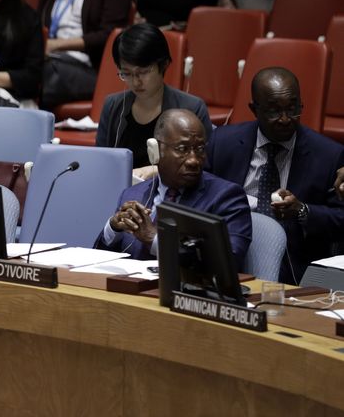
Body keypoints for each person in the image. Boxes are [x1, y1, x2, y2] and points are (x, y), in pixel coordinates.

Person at [206, 67, 344, 283]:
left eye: (292, 109)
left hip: (292, 266)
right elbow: (201, 197)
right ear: (254, 109)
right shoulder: (223, 142)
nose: (285, 119)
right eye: (274, 111)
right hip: (226, 255)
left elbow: (340, 219)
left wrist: (302, 210)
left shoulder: (328, 155)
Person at [94, 109, 251, 269]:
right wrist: (113, 229)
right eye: (182, 149)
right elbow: (99, 265)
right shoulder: (133, 194)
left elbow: (230, 260)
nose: (193, 161)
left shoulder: (226, 197)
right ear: (155, 151)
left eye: (200, 149)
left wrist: (155, 239)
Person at [95, 23, 211, 179]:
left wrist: (156, 170)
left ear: (163, 65)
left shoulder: (191, 109)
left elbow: (205, 167)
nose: (136, 82)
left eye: (143, 72)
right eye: (126, 73)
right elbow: (101, 161)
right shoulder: (113, 105)